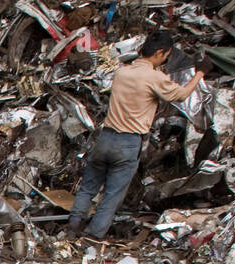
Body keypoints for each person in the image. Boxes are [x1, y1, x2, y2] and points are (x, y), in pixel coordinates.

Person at [67, 31, 203, 239]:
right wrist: (200, 74)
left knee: (88, 187)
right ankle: (93, 235)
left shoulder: (122, 72)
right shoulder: (154, 77)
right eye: (166, 55)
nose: (165, 59)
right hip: (128, 143)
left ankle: (73, 226)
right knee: (112, 195)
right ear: (159, 52)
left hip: (105, 137)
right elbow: (182, 95)